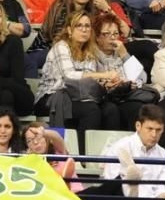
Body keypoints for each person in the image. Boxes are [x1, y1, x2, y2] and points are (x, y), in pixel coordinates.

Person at [38, 10, 120, 139]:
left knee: (111, 109)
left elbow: (91, 80)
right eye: (79, 25)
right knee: (91, 110)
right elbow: (69, 76)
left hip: (81, 96)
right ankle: (83, 155)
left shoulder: (90, 51)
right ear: (70, 30)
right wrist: (103, 75)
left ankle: (107, 154)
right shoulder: (61, 46)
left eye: (87, 26)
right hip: (53, 96)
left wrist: (106, 83)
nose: (84, 29)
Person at [101, 104, 165, 200]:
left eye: (158, 130)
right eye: (150, 129)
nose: (154, 134)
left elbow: (161, 187)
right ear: (138, 126)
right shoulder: (120, 147)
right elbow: (112, 186)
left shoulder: (162, 153)